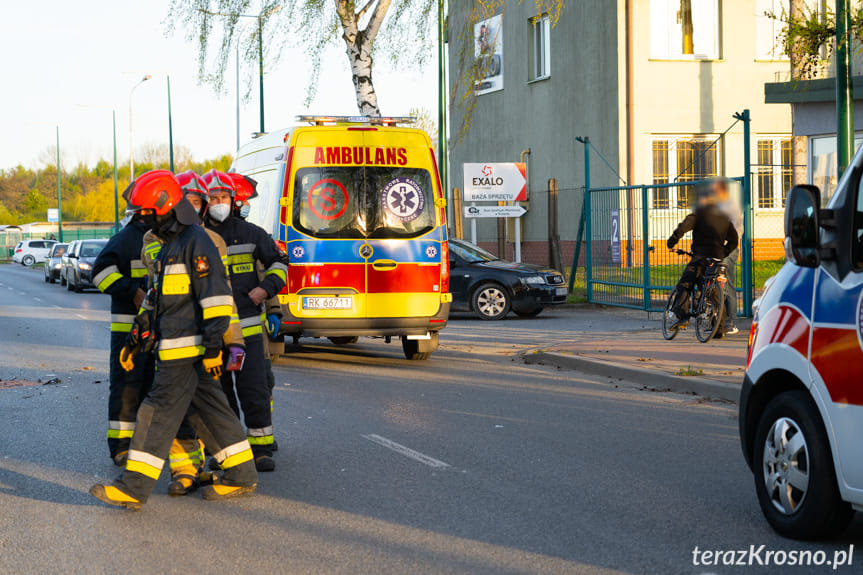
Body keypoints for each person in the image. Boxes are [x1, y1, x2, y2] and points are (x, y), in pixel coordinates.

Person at [90, 171, 257, 510]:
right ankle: (241, 475)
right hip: (176, 346)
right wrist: (136, 339)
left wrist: (213, 348)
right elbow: (158, 299)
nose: (143, 218)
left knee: (156, 412)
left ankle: (132, 487)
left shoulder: (196, 241)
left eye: (148, 211)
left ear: (166, 206)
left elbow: (217, 299)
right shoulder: (169, 245)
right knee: (210, 412)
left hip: (189, 349)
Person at [137, 170, 247, 496]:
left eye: (200, 201)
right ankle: (185, 470)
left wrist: (233, 341)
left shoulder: (212, 242)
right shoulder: (154, 239)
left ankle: (225, 466)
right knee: (180, 411)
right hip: (174, 340)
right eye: (193, 199)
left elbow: (220, 296)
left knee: (210, 407)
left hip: (206, 341)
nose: (197, 205)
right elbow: (157, 282)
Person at [204, 170, 288, 472]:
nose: (218, 202)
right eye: (213, 198)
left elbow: (279, 263)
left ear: (233, 200)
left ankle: (261, 449)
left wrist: (266, 290)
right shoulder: (196, 236)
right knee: (220, 395)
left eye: (223, 197)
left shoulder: (252, 233)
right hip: (214, 331)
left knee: (255, 389)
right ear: (204, 200)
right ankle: (227, 451)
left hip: (250, 330)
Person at [92, 182, 154, 466]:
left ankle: (150, 445)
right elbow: (100, 273)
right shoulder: (126, 239)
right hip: (129, 330)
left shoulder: (167, 239)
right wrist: (131, 290)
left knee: (156, 387)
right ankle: (121, 446)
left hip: (161, 328)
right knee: (127, 386)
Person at [228, 172, 282, 450]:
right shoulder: (205, 236)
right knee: (227, 392)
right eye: (246, 201)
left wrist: (274, 307)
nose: (248, 205)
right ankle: (237, 443)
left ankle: (261, 440)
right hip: (224, 330)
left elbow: (269, 271)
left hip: (252, 329)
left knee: (261, 385)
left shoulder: (253, 235)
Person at [666, 186, 739, 331]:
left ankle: (683, 316)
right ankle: (718, 328)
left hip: (699, 258)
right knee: (714, 292)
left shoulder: (698, 215)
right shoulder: (724, 218)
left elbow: (682, 228)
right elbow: (734, 240)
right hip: (717, 259)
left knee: (685, 284)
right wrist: (723, 252)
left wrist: (671, 242)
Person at [714, 178, 743, 335]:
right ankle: (718, 322)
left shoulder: (731, 206)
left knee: (726, 284)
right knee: (717, 285)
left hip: (728, 249)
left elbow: (735, 230)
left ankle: (731, 322)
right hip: (717, 248)